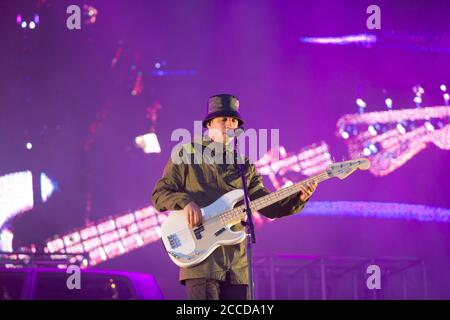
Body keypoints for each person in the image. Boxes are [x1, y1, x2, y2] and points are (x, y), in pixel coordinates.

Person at [152, 94, 317, 300]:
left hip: (237, 266)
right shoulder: (187, 153)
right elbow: (160, 193)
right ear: (210, 124)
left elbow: (266, 204)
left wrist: (298, 199)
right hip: (201, 261)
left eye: (234, 120)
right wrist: (186, 203)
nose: (231, 124)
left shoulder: (244, 165)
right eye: (225, 119)